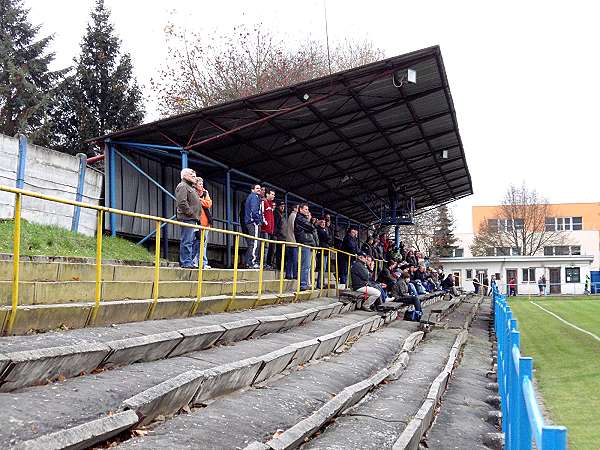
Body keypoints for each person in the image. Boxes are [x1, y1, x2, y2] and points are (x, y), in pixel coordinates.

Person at [176, 168, 201, 268]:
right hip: (187, 218)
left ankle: (189, 260)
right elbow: (182, 202)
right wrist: (191, 213)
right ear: (185, 176)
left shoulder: (191, 187)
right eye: (192, 175)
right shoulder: (182, 186)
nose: (194, 178)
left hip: (194, 219)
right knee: (187, 240)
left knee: (196, 240)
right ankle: (186, 262)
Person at [294, 203, 317, 290]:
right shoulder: (300, 218)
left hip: (308, 243)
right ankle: (303, 285)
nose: (307, 211)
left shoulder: (302, 218)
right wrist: (309, 220)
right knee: (305, 265)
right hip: (304, 243)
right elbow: (311, 228)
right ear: (300, 209)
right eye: (306, 209)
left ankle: (305, 284)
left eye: (307, 209)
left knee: (307, 266)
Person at [193, 176, 212, 269]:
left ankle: (203, 263)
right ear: (195, 185)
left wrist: (200, 200)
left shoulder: (205, 192)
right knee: (195, 243)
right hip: (196, 222)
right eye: (199, 184)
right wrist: (202, 201)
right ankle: (196, 262)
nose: (201, 185)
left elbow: (208, 204)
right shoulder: (192, 192)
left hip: (205, 222)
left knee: (203, 244)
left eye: (202, 184)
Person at [244, 184, 263, 269]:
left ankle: (249, 262)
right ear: (252, 190)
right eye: (257, 188)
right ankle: (252, 262)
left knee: (252, 242)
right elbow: (254, 210)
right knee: (255, 242)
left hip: (250, 222)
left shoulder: (251, 197)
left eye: (260, 188)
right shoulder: (254, 197)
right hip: (253, 223)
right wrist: (257, 221)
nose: (259, 190)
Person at [261, 189, 276, 269]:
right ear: (267, 194)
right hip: (264, 229)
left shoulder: (270, 204)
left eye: (274, 194)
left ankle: (265, 263)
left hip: (269, 230)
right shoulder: (264, 202)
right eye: (272, 194)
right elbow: (262, 214)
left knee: (268, 247)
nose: (273, 196)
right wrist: (266, 224)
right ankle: (262, 264)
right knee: (265, 247)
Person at [284, 204, 298, 279]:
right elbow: (294, 228)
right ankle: (295, 275)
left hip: (288, 241)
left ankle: (288, 274)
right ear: (295, 208)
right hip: (294, 241)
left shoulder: (290, 216)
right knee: (295, 260)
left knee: (289, 259)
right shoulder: (294, 216)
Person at [273, 202, 287, 270]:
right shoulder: (276, 214)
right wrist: (277, 233)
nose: (282, 208)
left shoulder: (283, 215)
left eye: (283, 206)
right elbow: (276, 225)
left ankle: (281, 266)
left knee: (281, 253)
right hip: (278, 236)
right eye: (281, 206)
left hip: (282, 237)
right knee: (277, 252)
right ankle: (278, 265)